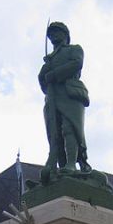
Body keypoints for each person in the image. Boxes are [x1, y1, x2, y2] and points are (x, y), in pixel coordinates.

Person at [38, 22, 91, 184]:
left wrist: (54, 73)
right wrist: (45, 73)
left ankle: (71, 165)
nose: (53, 36)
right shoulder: (48, 61)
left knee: (70, 128)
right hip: (53, 98)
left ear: (65, 34)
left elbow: (76, 63)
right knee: (54, 134)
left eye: (56, 32)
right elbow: (42, 81)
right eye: (50, 34)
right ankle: (59, 165)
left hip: (70, 93)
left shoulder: (74, 49)